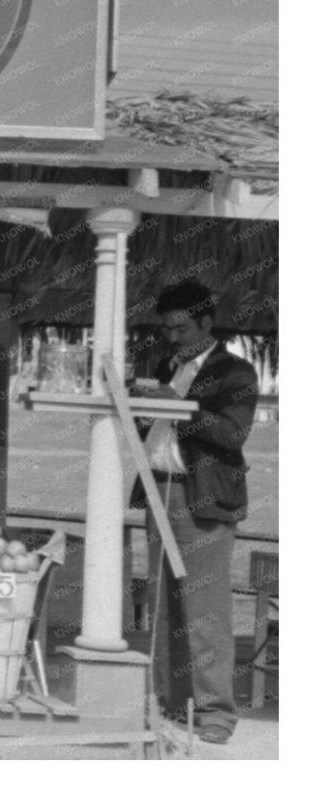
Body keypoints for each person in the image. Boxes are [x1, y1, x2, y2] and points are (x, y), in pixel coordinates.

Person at [132, 279, 258, 744]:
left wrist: (180, 406)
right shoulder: (167, 365)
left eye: (182, 329)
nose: (174, 338)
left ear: (207, 323)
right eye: (168, 329)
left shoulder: (236, 373)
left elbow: (231, 435)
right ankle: (171, 701)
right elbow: (155, 425)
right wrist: (144, 404)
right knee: (164, 603)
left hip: (202, 498)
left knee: (206, 611)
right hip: (159, 490)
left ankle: (216, 715)